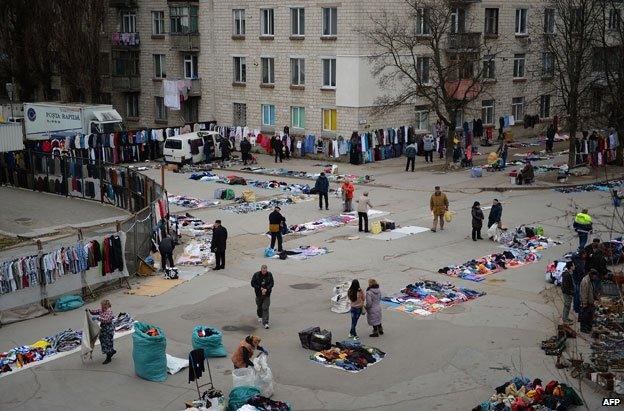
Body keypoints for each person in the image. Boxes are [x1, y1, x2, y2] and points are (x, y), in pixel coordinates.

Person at [89, 299, 116, 364]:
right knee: (104, 340)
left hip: (108, 328)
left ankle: (108, 357)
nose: (102, 307)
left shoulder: (109, 311)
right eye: (101, 305)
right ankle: (111, 351)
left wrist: (97, 318)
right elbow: (96, 311)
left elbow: (106, 320)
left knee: (107, 342)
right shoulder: (102, 309)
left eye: (103, 306)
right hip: (104, 328)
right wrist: (89, 311)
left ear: (106, 305)